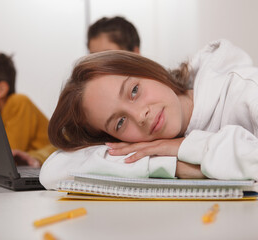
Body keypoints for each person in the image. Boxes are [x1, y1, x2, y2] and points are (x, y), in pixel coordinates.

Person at [39, 39, 258, 189]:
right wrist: (172, 165)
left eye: (134, 91)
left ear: (149, 71)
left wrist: (184, 147)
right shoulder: (153, 142)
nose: (140, 115)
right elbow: (53, 173)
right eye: (120, 122)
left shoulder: (244, 92)